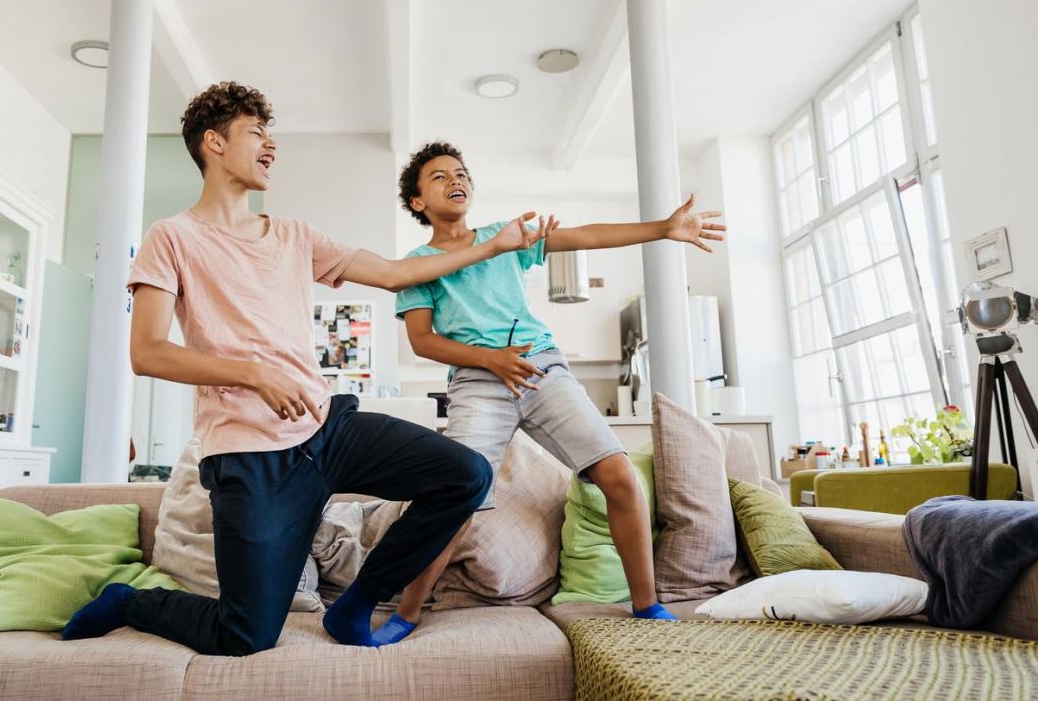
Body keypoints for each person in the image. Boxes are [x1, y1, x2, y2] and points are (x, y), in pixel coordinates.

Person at [60, 83, 552, 655]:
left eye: (272, 136)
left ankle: (357, 603)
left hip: (327, 430)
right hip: (249, 455)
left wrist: (492, 249)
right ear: (214, 143)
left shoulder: (294, 235)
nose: (271, 146)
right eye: (256, 134)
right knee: (244, 634)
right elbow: (147, 351)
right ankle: (131, 601)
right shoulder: (171, 238)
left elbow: (395, 273)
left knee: (466, 474)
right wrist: (251, 373)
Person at [375, 141, 727, 643]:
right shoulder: (418, 263)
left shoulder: (505, 235)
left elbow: (585, 235)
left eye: (462, 171)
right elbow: (422, 341)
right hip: (478, 382)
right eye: (438, 176)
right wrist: (492, 359)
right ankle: (406, 614)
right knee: (453, 499)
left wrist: (664, 229)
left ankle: (648, 608)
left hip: (541, 367)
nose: (456, 178)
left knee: (620, 476)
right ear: (417, 202)